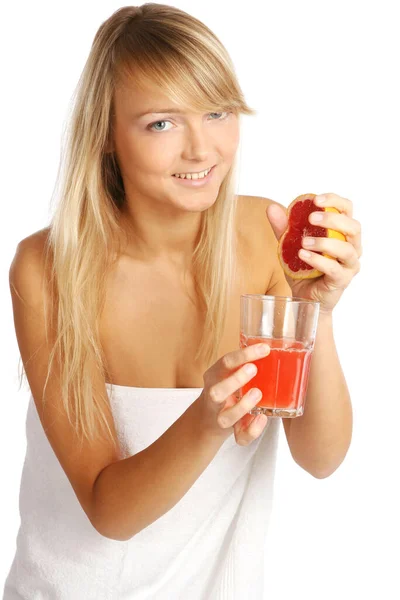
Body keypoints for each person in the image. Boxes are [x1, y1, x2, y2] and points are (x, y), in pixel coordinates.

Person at [3, 4, 362, 599]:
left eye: (217, 112)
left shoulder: (259, 239)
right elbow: (109, 511)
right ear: (107, 136)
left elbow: (321, 458)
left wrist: (314, 312)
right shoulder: (47, 270)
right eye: (161, 124)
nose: (202, 150)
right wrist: (207, 419)